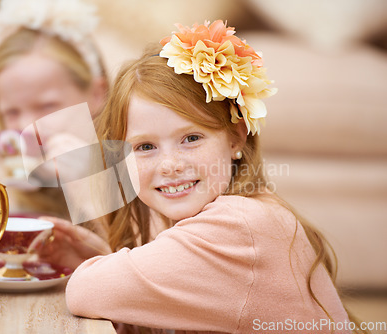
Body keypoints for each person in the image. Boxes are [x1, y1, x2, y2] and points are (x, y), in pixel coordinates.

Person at [61, 20, 364, 333]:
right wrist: (98, 255)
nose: (170, 165)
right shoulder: (184, 216)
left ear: (235, 138)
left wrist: (99, 268)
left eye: (191, 138)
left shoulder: (240, 225)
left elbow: (86, 291)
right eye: (145, 146)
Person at [0, 0, 108, 218]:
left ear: (97, 94)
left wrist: (88, 186)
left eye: (46, 106)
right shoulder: (32, 181)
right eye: (12, 112)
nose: (27, 127)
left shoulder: (139, 165)